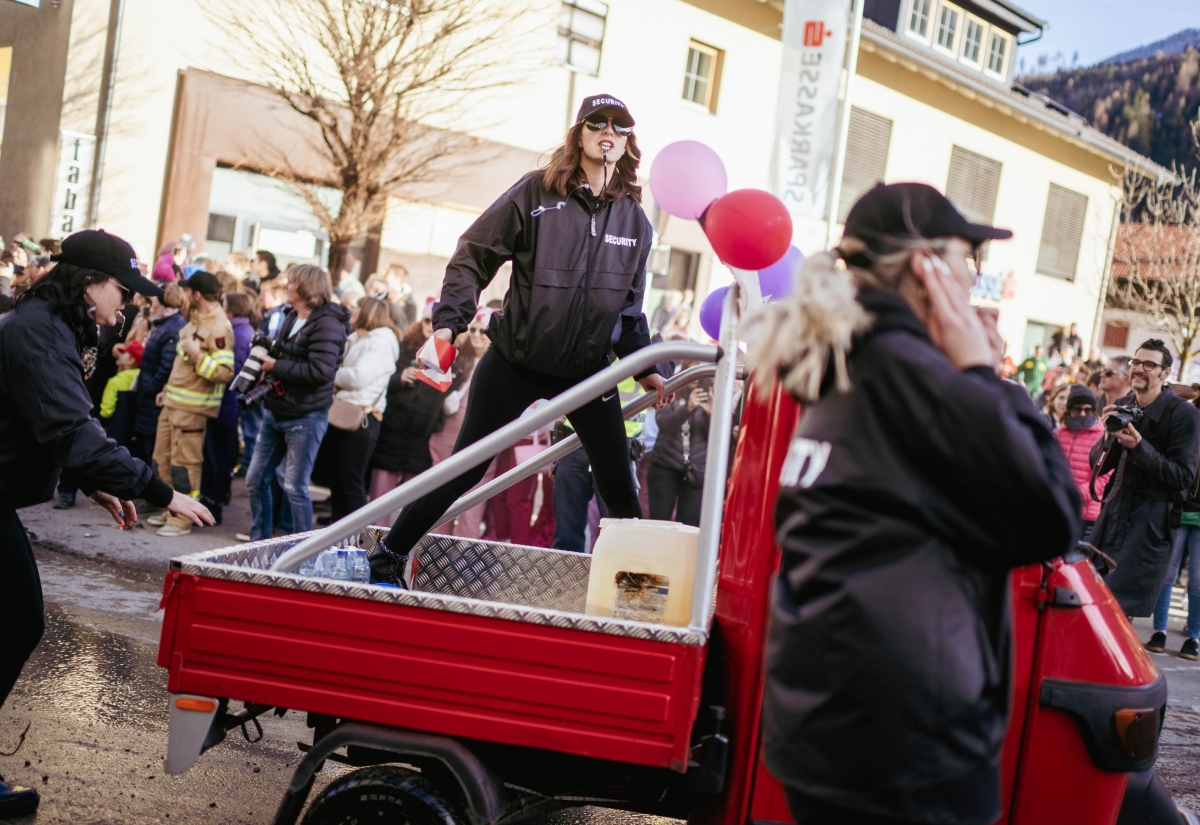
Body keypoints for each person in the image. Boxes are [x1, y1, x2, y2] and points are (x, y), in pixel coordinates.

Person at [752, 183, 1078, 825]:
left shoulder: (845, 361)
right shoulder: (912, 373)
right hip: (905, 745)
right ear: (928, 269)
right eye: (967, 260)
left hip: (828, 726)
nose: (972, 278)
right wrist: (987, 376)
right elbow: (1050, 516)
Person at [368, 93, 670, 585]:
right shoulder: (536, 193)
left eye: (619, 125)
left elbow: (629, 310)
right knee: (465, 468)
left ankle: (634, 590)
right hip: (516, 359)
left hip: (588, 370)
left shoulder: (635, 221)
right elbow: (473, 255)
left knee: (619, 484)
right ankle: (390, 555)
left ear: (627, 141)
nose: (608, 131)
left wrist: (646, 365)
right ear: (580, 134)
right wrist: (449, 323)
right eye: (597, 123)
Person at [0, 229, 213, 817]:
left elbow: (57, 426)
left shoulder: (51, 325)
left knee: (13, 622)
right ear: (89, 284)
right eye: (123, 289)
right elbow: (71, 432)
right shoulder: (40, 333)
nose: (130, 303)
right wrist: (159, 491)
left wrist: (96, 484)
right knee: (17, 621)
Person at [1091, 340, 1200, 617]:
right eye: (1136, 363)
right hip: (1113, 515)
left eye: (1149, 365)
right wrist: (1107, 438)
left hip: (1150, 523)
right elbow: (1099, 467)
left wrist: (1139, 447)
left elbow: (1183, 477)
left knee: (1117, 611)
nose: (1139, 369)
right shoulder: (1124, 404)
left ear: (1165, 373)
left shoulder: (1183, 414)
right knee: (1096, 601)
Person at [245, 265, 350, 539]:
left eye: (291, 282)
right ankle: (259, 545)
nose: (286, 286)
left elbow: (321, 371)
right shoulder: (292, 314)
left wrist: (275, 365)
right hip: (277, 410)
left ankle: (304, 554)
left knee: (295, 487)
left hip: (306, 416)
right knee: (255, 479)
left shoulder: (328, 323)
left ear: (305, 287)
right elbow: (291, 354)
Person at [148, 271, 236, 538]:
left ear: (196, 294)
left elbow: (224, 372)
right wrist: (166, 390)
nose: (185, 296)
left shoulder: (219, 327)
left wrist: (198, 355)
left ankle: (182, 520)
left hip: (192, 409)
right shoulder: (196, 321)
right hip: (174, 402)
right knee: (161, 459)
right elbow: (180, 365)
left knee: (184, 464)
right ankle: (169, 510)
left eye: (188, 292)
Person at [325, 297, 399, 521]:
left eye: (357, 307)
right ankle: (337, 533)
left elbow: (358, 378)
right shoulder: (356, 338)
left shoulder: (381, 341)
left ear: (368, 312)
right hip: (343, 412)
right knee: (337, 478)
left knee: (351, 480)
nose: (352, 310)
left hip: (363, 418)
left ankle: (358, 537)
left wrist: (330, 374)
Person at [367, 318, 447, 523]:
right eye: (428, 319)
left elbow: (443, 396)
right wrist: (399, 378)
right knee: (379, 505)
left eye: (438, 321)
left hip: (420, 440)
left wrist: (435, 425)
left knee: (413, 513)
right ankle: (372, 548)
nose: (432, 325)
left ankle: (405, 553)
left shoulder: (448, 356)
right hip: (391, 433)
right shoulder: (404, 349)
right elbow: (379, 381)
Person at [198, 291, 257, 524]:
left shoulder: (236, 333)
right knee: (219, 453)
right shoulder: (243, 330)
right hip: (227, 403)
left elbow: (232, 371)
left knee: (219, 456)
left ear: (230, 310)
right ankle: (214, 499)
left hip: (225, 403)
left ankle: (215, 503)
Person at [647, 377, 711, 526]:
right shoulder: (670, 389)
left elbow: (717, 438)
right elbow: (664, 424)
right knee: (658, 524)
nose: (698, 378)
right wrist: (687, 408)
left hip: (697, 470)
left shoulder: (713, 395)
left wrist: (712, 414)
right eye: (695, 365)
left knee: (688, 527)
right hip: (665, 464)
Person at [1054, 385, 1107, 535]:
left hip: (1086, 513)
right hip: (1058, 507)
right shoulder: (1057, 434)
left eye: (1088, 409)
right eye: (1078, 409)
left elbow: (1105, 478)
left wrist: (1077, 493)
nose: (1083, 414)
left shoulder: (1102, 438)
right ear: (1069, 409)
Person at [98, 339, 143, 440]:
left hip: (115, 432)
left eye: (123, 353)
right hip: (134, 432)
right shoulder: (142, 378)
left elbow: (107, 411)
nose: (119, 354)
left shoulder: (115, 381)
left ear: (131, 360)